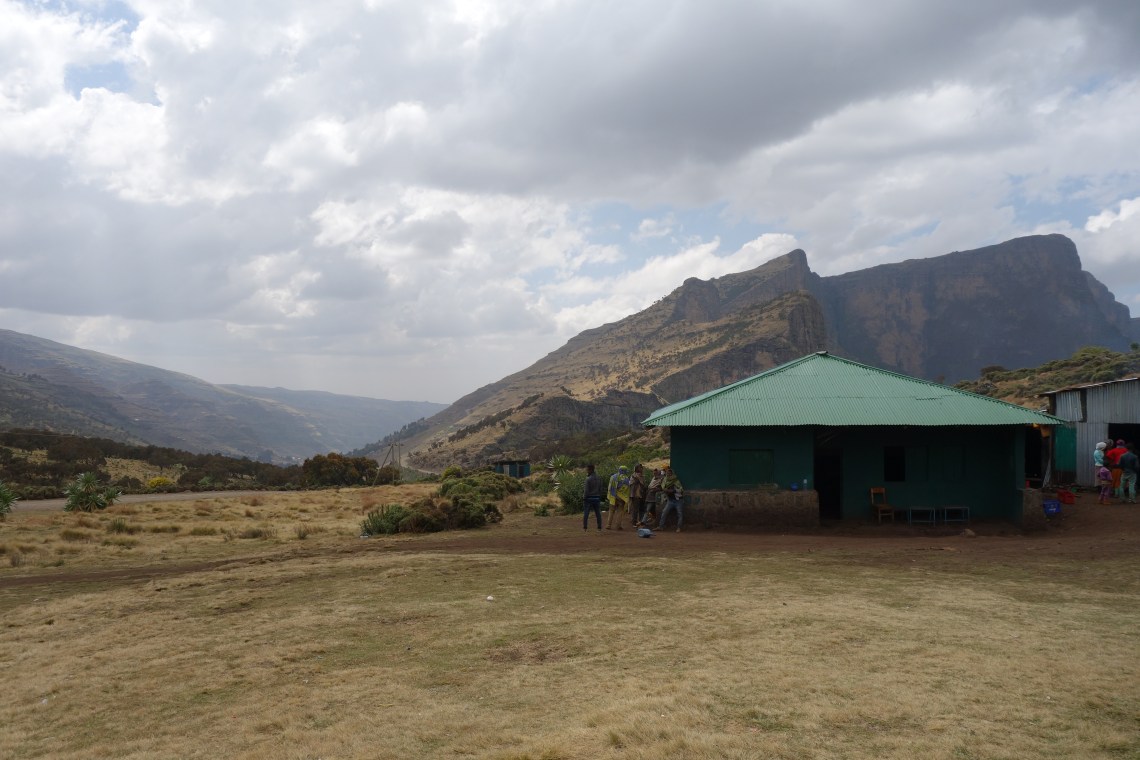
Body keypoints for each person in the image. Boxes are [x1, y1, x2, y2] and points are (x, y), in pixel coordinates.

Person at [656, 466, 684, 532]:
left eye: (670, 473)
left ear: (672, 474)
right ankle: (661, 526)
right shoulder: (665, 480)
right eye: (667, 473)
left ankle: (679, 528)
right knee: (664, 512)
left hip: (678, 500)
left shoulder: (676, 481)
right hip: (670, 500)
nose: (668, 474)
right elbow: (662, 487)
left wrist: (673, 490)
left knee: (680, 514)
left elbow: (681, 490)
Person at [606, 465, 631, 530]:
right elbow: (627, 490)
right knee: (620, 512)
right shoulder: (627, 479)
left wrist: (611, 494)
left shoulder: (613, 477)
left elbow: (610, 487)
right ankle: (618, 526)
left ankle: (608, 525)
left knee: (611, 511)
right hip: (621, 498)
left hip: (613, 496)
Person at [582, 464, 604, 531]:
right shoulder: (599, 478)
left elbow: (586, 490)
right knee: (598, 513)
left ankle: (585, 528)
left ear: (590, 470)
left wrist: (584, 497)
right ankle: (599, 527)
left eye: (587, 469)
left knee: (586, 513)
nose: (586, 471)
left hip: (588, 498)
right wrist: (599, 495)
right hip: (597, 497)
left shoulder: (588, 479)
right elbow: (600, 488)